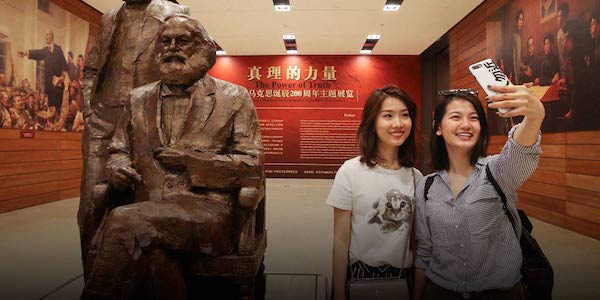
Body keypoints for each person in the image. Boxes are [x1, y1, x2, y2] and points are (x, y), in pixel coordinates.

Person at [81, 14, 264, 299]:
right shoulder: (137, 98)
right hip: (146, 203)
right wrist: (117, 169)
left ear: (203, 48)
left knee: (125, 221)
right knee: (152, 250)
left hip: (207, 212)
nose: (171, 47)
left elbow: (251, 166)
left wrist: (192, 162)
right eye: (165, 41)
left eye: (182, 41)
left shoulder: (234, 97)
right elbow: (118, 150)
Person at [78, 0, 190, 276]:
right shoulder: (110, 17)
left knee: (145, 206)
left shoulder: (174, 13)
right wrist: (89, 111)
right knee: (91, 207)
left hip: (146, 121)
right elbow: (93, 69)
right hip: (103, 120)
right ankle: (95, 283)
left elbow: (185, 68)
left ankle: (143, 284)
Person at [413, 86, 545, 300]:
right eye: (456, 117)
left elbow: (520, 151)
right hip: (440, 292)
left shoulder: (496, 171)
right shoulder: (426, 187)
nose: (466, 124)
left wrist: (534, 116)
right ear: (438, 127)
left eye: (474, 118)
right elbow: (424, 252)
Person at [327, 85, 421, 300]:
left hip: (402, 281)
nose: (398, 123)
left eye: (404, 115)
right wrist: (339, 294)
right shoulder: (350, 171)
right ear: (373, 122)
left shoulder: (416, 177)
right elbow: (340, 241)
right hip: (360, 279)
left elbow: (418, 243)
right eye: (388, 115)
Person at [18, 30, 68, 109]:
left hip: (58, 85)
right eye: (45, 35)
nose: (45, 37)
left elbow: (64, 64)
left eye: (47, 34)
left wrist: (62, 77)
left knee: (58, 107)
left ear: (52, 36)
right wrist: (26, 53)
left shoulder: (58, 49)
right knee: (50, 107)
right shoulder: (45, 50)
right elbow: (37, 53)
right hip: (49, 85)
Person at [512, 10, 525, 84]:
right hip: (515, 76)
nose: (521, 22)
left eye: (522, 19)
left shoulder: (518, 37)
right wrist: (516, 82)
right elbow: (515, 61)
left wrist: (524, 67)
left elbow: (519, 60)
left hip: (517, 75)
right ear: (516, 22)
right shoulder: (516, 37)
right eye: (520, 19)